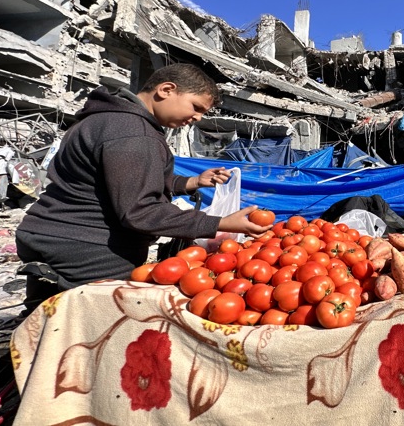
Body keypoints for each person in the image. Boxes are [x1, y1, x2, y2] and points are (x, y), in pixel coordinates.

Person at [15, 63, 272, 311]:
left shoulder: (103, 119)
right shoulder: (133, 132)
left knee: (42, 328)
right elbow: (140, 211)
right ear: (166, 90)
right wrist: (219, 223)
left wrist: (192, 182)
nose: (197, 118)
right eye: (196, 107)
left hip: (49, 234)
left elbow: (120, 181)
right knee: (88, 335)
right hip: (88, 250)